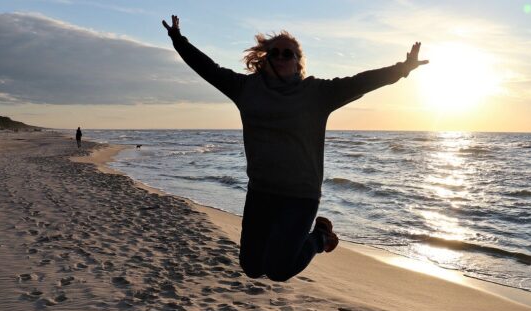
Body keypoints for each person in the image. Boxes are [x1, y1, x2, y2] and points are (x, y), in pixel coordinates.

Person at [162, 15, 428, 282]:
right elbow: (208, 68)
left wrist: (402, 68)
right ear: (265, 57)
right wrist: (178, 39)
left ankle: (320, 238)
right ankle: (314, 238)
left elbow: (360, 82)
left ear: (297, 61)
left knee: (279, 270)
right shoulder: (245, 88)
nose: (280, 56)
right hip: (260, 190)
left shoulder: (317, 93)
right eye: (274, 52)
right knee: (252, 267)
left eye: (287, 53)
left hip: (299, 195)